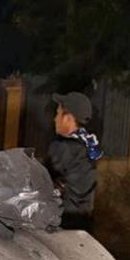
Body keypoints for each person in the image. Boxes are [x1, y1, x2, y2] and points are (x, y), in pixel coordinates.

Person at [45, 91, 101, 227]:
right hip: (83, 222)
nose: (55, 119)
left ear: (68, 118)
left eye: (58, 114)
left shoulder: (63, 148)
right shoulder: (88, 145)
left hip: (63, 223)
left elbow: (42, 180)